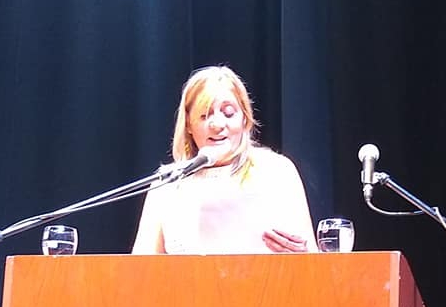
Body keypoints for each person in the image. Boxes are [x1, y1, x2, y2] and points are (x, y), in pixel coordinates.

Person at [132, 66, 317, 255]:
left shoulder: (277, 171)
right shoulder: (167, 184)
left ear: (245, 118)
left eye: (228, 113)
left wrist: (301, 254)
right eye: (205, 116)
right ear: (188, 124)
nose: (218, 125)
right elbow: (140, 267)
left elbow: (314, 261)